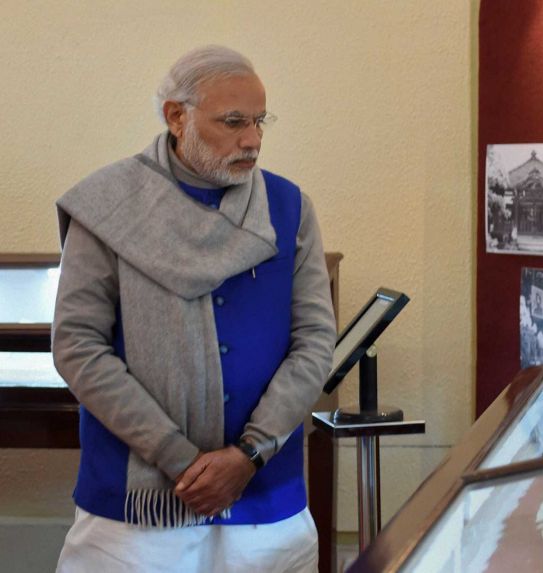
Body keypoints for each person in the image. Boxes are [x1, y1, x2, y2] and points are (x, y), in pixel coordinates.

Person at [51, 45, 336, 572]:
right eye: (232, 122)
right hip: (134, 514)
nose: (252, 140)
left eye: (258, 121)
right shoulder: (106, 206)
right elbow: (77, 346)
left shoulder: (288, 207)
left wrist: (250, 454)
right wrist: (181, 461)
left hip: (266, 499)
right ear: (176, 116)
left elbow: (315, 339)